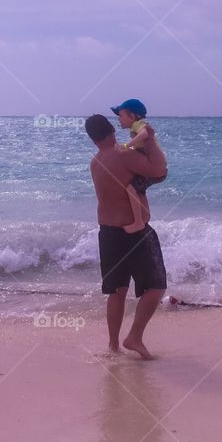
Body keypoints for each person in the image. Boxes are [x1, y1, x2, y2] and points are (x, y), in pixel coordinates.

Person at [85, 114, 168, 360]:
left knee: (117, 290)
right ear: (112, 131)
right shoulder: (123, 155)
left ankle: (113, 346)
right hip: (134, 234)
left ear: (93, 140)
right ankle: (134, 337)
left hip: (107, 233)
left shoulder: (95, 161)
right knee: (156, 286)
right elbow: (159, 169)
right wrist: (149, 139)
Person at [111, 99, 167, 234]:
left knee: (131, 188)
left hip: (156, 170)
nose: (119, 119)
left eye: (121, 115)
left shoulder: (139, 124)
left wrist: (126, 145)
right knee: (138, 189)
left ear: (132, 116)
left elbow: (144, 134)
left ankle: (138, 222)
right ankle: (142, 215)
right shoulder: (134, 128)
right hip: (154, 169)